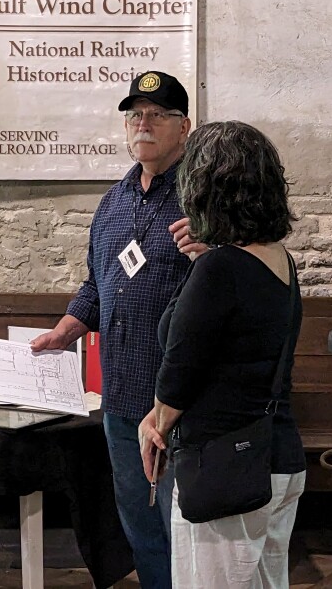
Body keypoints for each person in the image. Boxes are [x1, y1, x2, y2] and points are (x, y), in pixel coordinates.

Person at [31, 71, 206, 588]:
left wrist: (215, 245)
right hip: (122, 397)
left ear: (184, 127)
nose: (143, 124)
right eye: (135, 115)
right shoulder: (113, 203)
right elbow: (97, 283)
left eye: (157, 114)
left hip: (177, 401)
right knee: (138, 520)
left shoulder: (202, 204)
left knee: (182, 523)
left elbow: (227, 289)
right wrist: (67, 328)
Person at [138, 121, 307, 589]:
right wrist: (202, 258)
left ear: (203, 188)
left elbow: (181, 368)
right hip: (276, 456)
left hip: (224, 463)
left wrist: (155, 425)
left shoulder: (221, 268)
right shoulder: (276, 259)